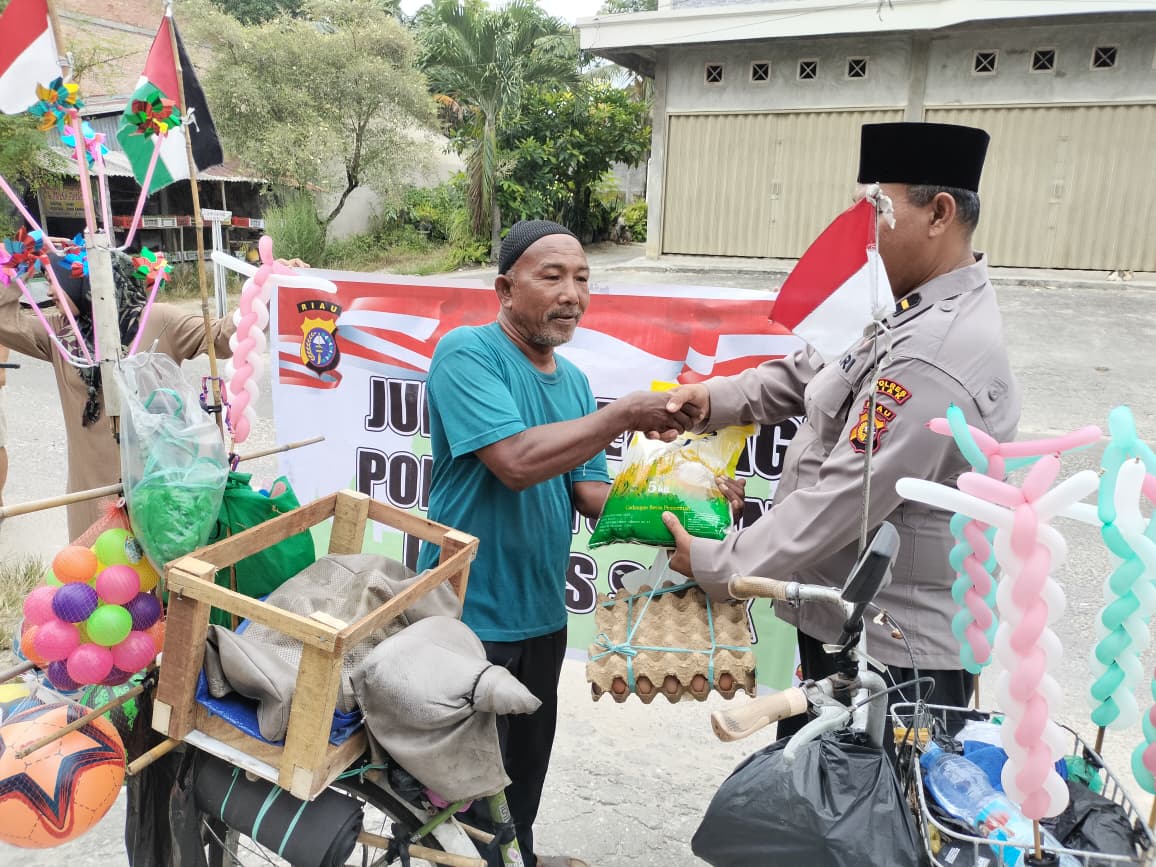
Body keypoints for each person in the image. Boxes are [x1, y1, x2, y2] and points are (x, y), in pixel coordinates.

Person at [658, 122, 1022, 728]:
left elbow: (842, 499)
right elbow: (815, 368)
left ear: (939, 213)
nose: (862, 228)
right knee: (811, 800)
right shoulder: (906, 303)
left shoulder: (935, 352)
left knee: (869, 813)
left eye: (876, 207)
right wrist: (709, 400)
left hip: (897, 653)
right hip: (847, 621)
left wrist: (719, 565)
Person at [416, 220, 735, 867]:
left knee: (524, 778)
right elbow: (514, 460)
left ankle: (520, 857)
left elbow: (592, 496)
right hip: (467, 613)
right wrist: (622, 415)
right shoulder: (467, 353)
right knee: (465, 795)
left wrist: (690, 496)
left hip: (541, 615)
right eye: (552, 276)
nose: (572, 293)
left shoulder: (576, 383)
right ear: (506, 287)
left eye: (583, 278)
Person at [0, 247, 304, 540]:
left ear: (87, 281)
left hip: (159, 484)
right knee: (92, 583)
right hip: (91, 492)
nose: (50, 292)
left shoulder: (157, 320)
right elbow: (4, 321)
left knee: (157, 581)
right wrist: (18, 264)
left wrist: (268, 289)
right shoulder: (59, 335)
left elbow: (222, 336)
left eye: (55, 281)